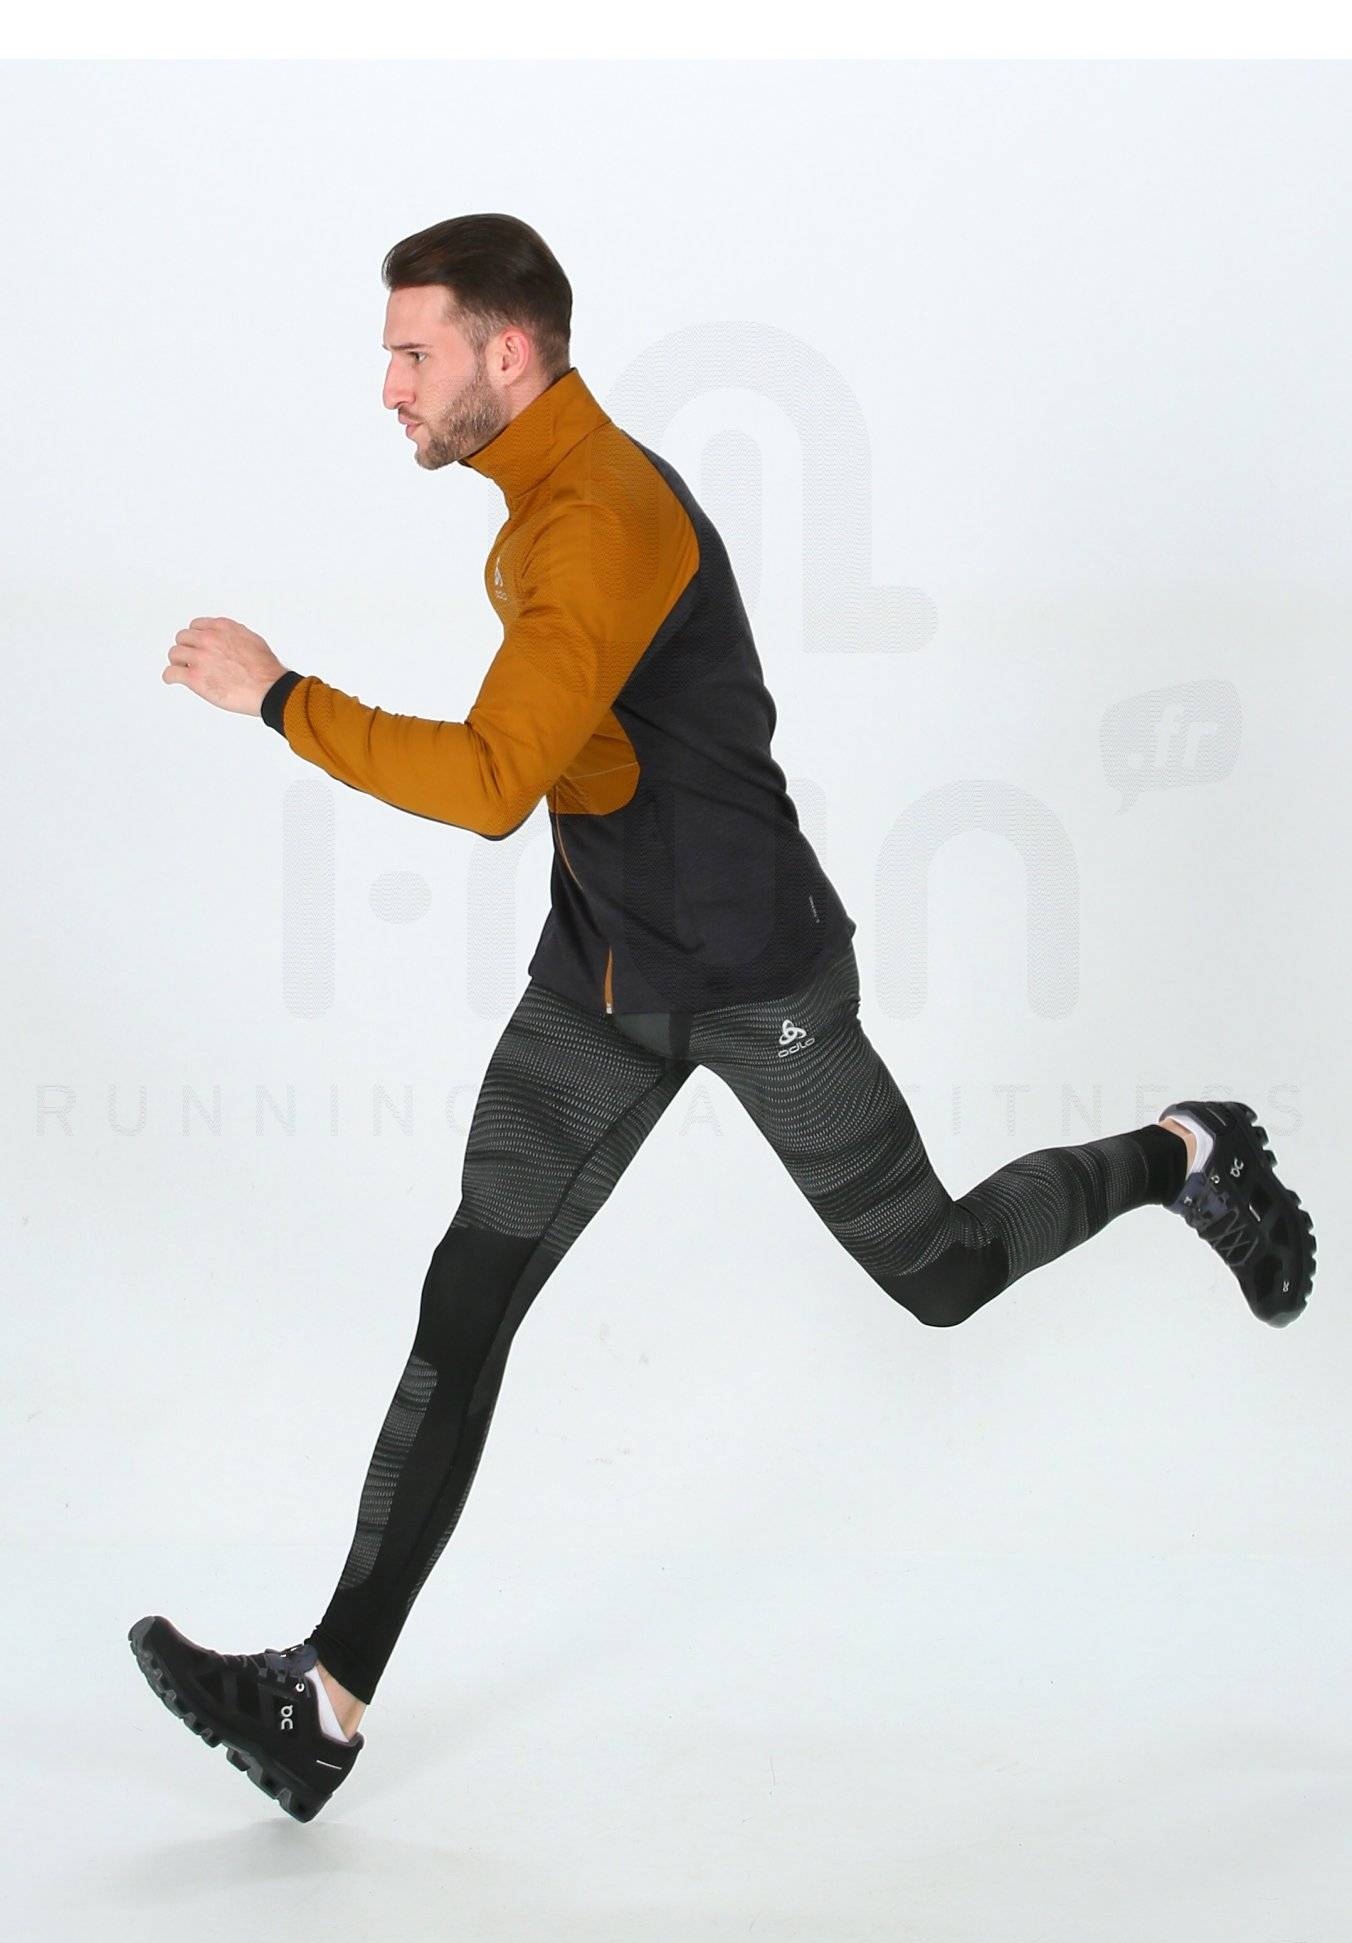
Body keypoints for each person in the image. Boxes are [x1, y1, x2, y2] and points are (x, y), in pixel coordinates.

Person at [130, 213, 1316, 1823]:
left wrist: (277, 696)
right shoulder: (540, 500)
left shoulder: (599, 516)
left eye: (412, 352)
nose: (388, 385)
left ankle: (1188, 1149)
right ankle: (322, 1704)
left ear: (507, 352)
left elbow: (491, 782)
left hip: (755, 980)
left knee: (942, 1272)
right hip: (606, 972)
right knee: (466, 1298)